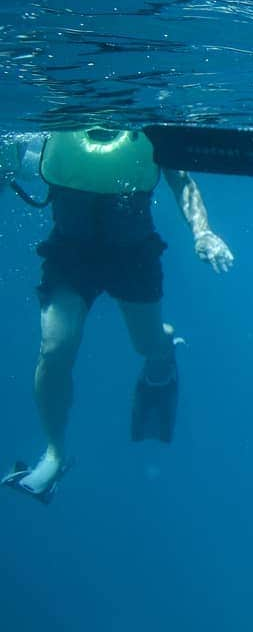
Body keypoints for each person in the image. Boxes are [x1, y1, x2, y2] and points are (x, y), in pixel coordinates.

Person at [1, 127, 234, 503]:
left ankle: (164, 349)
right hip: (69, 253)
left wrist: (203, 232)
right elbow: (8, 164)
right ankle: (55, 453)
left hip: (133, 254)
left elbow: (180, 178)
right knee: (55, 349)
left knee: (147, 344)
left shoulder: (148, 124)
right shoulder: (54, 118)